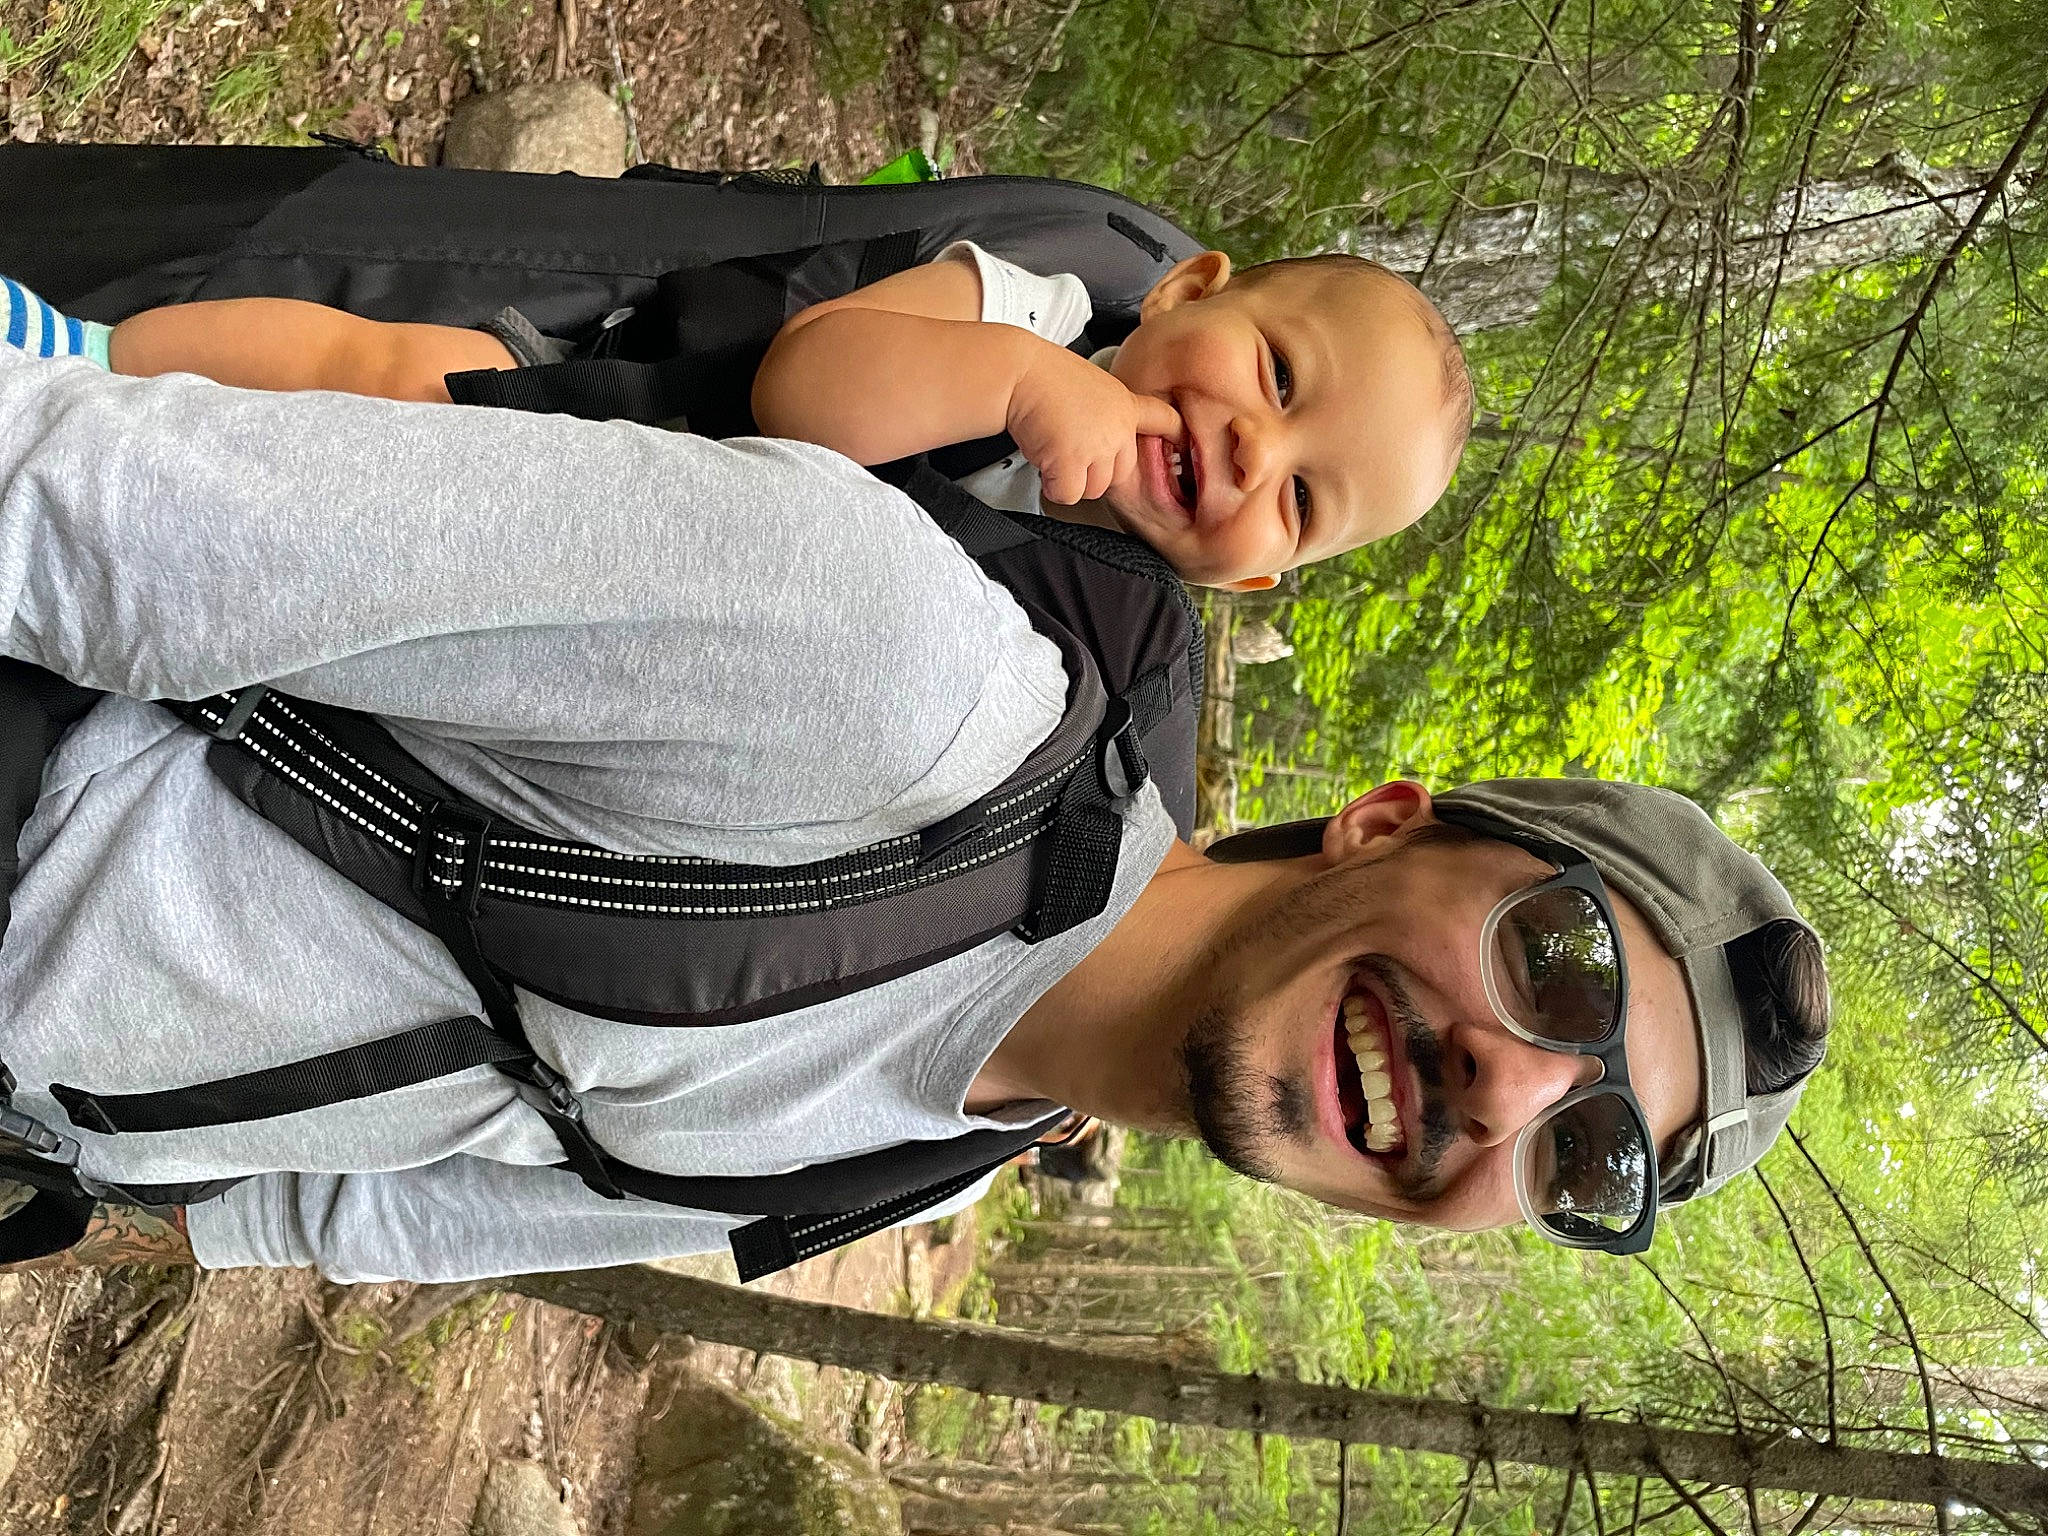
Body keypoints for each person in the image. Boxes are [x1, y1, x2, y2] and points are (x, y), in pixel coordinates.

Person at [0, 327, 1823, 1282]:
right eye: (1560, 967)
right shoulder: (881, 673)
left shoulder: (951, 1153)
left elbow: (381, 1213)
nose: (1506, 1083)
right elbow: (78, 508)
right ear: (1385, 821)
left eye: (1588, 1156)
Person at [0, 235, 1472, 592]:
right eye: (1276, 381)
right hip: (616, 421)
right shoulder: (1030, 316)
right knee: (377, 375)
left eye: (1298, 498)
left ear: (1261, 575)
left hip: (609, 582)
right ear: (1188, 291)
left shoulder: (1100, 622)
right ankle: (77, 354)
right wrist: (1027, 388)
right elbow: (807, 387)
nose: (1248, 450)